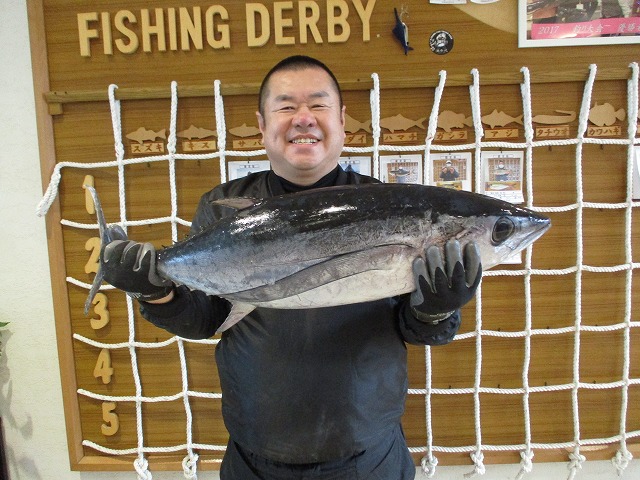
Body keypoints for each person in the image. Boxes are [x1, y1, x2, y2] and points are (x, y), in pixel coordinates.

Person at [101, 55, 482, 480]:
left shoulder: (392, 204)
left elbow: (419, 329)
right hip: (254, 455)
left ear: (341, 120)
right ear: (262, 125)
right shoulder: (223, 206)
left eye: (318, 105)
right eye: (286, 107)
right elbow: (206, 317)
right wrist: (156, 292)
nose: (304, 118)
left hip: (367, 454)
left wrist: (436, 310)